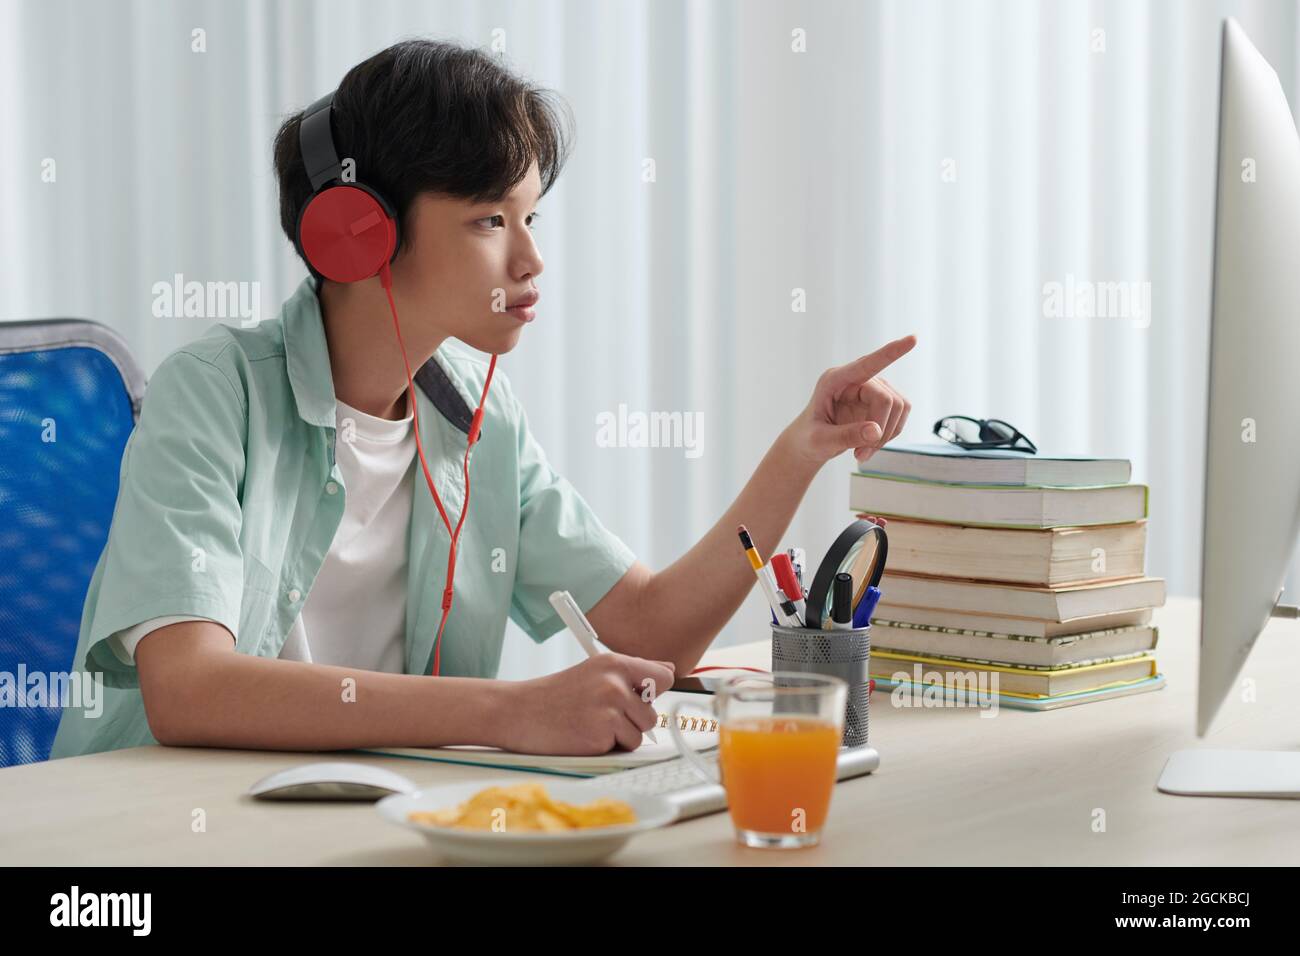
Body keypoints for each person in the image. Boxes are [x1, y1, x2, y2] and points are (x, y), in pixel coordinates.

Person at [50, 38, 914, 760]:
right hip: (169, 829)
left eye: (531, 217)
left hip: (366, 823)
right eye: (489, 220)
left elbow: (650, 630)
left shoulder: (474, 419)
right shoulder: (215, 392)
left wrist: (801, 449)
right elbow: (189, 689)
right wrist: (510, 712)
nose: (531, 260)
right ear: (361, 234)